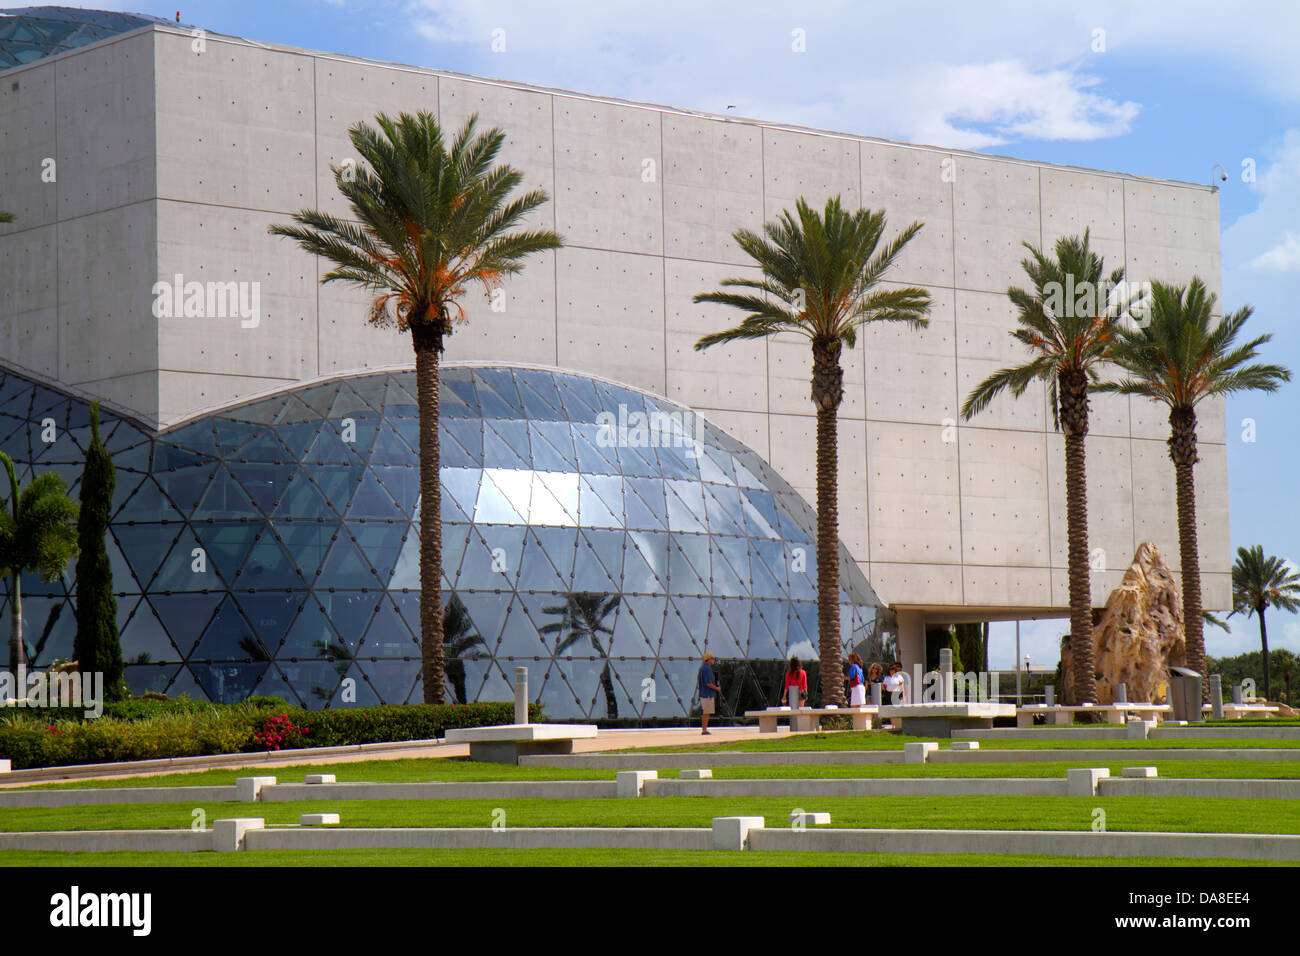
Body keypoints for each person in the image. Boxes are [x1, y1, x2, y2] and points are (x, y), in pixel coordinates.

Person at [697, 652, 721, 735]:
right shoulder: (707, 669)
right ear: (709, 659)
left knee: (705, 712)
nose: (713, 660)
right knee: (707, 712)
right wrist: (716, 688)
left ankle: (704, 729)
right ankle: (704, 730)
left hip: (703, 693)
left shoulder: (702, 668)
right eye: (713, 658)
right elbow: (708, 683)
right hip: (707, 694)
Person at [883, 662, 906, 729]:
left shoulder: (899, 677)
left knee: (897, 709)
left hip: (897, 694)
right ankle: (893, 725)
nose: (891, 671)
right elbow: (884, 686)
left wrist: (903, 696)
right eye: (890, 669)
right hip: (889, 694)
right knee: (891, 709)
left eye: (893, 669)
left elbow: (902, 687)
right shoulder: (886, 678)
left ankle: (899, 724)